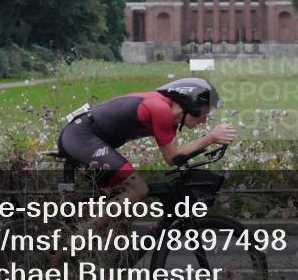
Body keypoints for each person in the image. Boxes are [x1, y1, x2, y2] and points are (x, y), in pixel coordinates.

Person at [56, 77, 235, 224]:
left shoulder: (169, 116)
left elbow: (178, 155)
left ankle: (112, 261)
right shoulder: (161, 109)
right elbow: (172, 157)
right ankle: (75, 243)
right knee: (138, 189)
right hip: (80, 137)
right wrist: (210, 138)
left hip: (84, 137)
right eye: (204, 112)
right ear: (191, 106)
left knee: (126, 210)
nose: (204, 119)